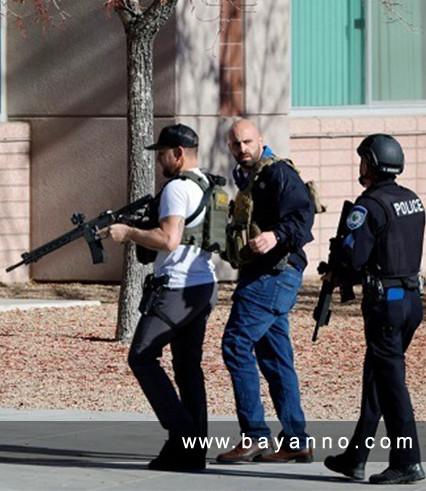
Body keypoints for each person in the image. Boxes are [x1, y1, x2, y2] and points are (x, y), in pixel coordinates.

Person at [102, 124, 219, 472]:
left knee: (141, 356)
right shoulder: (207, 183)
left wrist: (128, 233)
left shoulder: (177, 189)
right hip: (203, 286)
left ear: (178, 154)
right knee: (187, 369)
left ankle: (182, 434)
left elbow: (168, 240)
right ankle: (191, 452)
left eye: (163, 153)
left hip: (178, 288)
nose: (159, 161)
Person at [322, 134, 426, 485]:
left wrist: (338, 267)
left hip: (387, 307)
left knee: (392, 383)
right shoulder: (411, 200)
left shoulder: (369, 206)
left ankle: (407, 461)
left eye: (363, 159)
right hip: (411, 300)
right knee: (378, 380)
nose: (360, 165)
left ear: (373, 163)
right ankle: (356, 457)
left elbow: (354, 257)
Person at [216, 119, 315, 464]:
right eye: (235, 144)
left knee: (236, 343)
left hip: (274, 274)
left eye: (247, 142)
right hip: (262, 274)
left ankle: (255, 436)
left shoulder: (278, 174)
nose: (241, 149)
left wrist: (275, 235)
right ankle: (296, 440)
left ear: (261, 140)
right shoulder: (248, 176)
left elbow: (303, 217)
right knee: (274, 356)